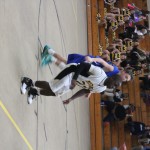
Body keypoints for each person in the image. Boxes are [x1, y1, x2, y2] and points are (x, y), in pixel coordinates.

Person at [21, 62, 122, 104]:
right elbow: (83, 65)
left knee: (55, 93)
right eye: (114, 84)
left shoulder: (102, 89)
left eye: (114, 87)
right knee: (53, 87)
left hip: (74, 82)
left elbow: (85, 90)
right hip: (72, 72)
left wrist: (71, 98)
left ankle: (35, 92)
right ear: (112, 78)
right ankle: (28, 81)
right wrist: (74, 78)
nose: (113, 87)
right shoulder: (100, 73)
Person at [41, 45, 131, 82]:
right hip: (89, 63)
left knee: (67, 63)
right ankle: (50, 57)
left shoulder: (113, 77)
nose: (125, 79)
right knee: (68, 68)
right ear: (124, 72)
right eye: (126, 77)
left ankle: (49, 51)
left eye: (126, 80)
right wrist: (91, 60)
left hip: (89, 67)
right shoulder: (114, 70)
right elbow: (102, 61)